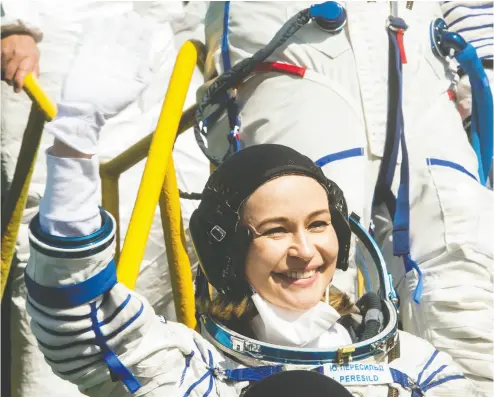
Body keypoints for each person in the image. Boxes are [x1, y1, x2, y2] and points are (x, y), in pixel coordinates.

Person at [23, 20, 475, 396]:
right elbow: (80, 322)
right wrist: (75, 141)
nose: (305, 250)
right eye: (276, 230)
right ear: (229, 254)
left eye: (318, 224)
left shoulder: (414, 369)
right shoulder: (197, 373)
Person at [197, 2, 494, 395]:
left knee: (462, 278)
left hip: (420, 52)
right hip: (296, 44)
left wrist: (485, 73)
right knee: (304, 276)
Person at [1, 2, 208, 397]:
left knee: (181, 233)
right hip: (57, 31)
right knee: (56, 245)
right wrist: (10, 22)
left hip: (171, 34)